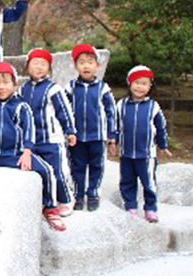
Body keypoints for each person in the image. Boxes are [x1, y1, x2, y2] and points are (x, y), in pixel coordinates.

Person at [0, 60, 66, 231]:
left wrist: (27, 152)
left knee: (47, 170)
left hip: (14, 154)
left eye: (6, 82)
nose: (1, 87)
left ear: (15, 85)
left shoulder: (21, 107)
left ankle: (50, 208)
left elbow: (29, 129)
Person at [20, 48, 77, 216]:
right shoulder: (23, 89)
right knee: (39, 173)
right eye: (35, 63)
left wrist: (70, 131)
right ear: (27, 66)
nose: (39, 67)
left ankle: (66, 199)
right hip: (31, 140)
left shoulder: (53, 88)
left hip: (52, 139)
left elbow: (64, 111)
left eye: (43, 64)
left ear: (49, 68)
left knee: (58, 172)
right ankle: (46, 200)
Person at [115, 65, 172, 223]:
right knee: (127, 181)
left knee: (149, 182)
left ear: (150, 86)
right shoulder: (121, 105)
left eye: (144, 83)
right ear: (130, 84)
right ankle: (130, 206)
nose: (140, 87)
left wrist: (163, 145)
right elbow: (114, 124)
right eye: (137, 82)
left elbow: (160, 127)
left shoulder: (153, 107)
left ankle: (151, 208)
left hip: (146, 154)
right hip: (126, 153)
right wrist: (112, 140)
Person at [65, 44, 116, 211]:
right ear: (76, 66)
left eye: (90, 62)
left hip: (97, 136)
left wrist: (111, 135)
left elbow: (110, 112)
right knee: (77, 166)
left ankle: (93, 193)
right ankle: (78, 195)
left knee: (97, 165)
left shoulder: (103, 88)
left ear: (97, 66)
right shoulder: (71, 87)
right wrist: (67, 130)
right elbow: (64, 110)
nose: (86, 66)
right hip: (77, 137)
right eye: (81, 62)